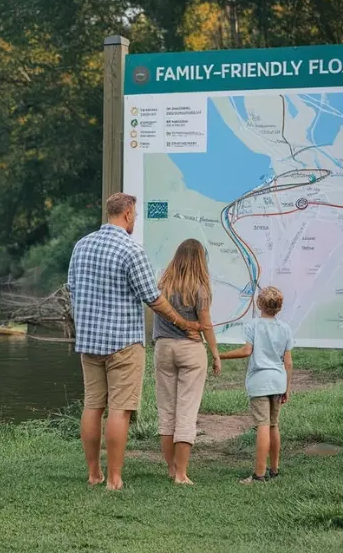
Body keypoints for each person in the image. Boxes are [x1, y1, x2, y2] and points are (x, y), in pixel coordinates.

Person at [67, 193, 206, 491]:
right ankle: (115, 479)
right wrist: (184, 323)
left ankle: (94, 474)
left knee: (93, 406)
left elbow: (73, 288)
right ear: (128, 214)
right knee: (120, 409)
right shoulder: (131, 250)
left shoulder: (81, 246)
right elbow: (153, 299)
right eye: (136, 215)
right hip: (123, 343)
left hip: (89, 342)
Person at [152, 239, 221, 485]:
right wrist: (215, 353)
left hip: (163, 348)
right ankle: (181, 474)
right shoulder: (200, 288)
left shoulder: (163, 281)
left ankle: (171, 469)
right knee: (186, 411)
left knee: (167, 411)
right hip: (191, 350)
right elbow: (206, 325)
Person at [219, 286, 293, 484]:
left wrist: (220, 355)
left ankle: (258, 474)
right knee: (273, 425)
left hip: (259, 382)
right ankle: (274, 469)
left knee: (262, 425)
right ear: (279, 307)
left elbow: (246, 351)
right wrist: (287, 386)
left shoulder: (252, 325)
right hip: (278, 381)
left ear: (259, 304)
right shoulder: (285, 328)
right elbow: (288, 362)